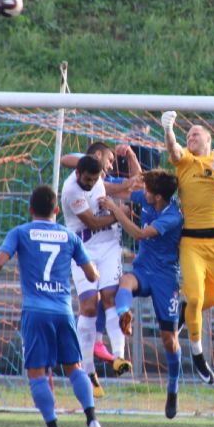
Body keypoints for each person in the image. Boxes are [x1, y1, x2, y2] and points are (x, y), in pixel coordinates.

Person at [0, 185, 103, 427]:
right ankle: (92, 420)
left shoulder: (20, 232)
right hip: (63, 310)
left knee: (37, 373)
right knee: (75, 368)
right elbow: (92, 275)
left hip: (36, 311)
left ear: (30, 210)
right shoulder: (69, 237)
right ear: (57, 210)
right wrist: (93, 269)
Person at [161, 110, 214, 384]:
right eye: (188, 135)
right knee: (196, 299)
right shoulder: (186, 161)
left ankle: (184, 311)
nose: (191, 138)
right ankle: (197, 356)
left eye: (195, 133)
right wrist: (169, 130)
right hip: (192, 243)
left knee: (212, 300)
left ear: (209, 138)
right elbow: (174, 151)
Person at [99, 169, 184, 419]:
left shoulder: (173, 217)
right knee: (124, 281)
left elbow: (138, 234)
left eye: (147, 191)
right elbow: (123, 187)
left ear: (157, 197)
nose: (142, 194)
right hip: (143, 270)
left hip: (165, 280)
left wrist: (115, 210)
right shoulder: (148, 199)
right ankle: (125, 315)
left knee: (169, 340)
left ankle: (172, 388)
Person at [60, 141, 140, 366]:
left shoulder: (103, 179)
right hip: (84, 248)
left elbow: (135, 185)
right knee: (88, 305)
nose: (112, 166)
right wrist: (118, 213)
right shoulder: (74, 187)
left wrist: (131, 160)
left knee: (109, 297)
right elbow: (93, 222)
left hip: (109, 247)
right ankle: (85, 365)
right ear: (97, 156)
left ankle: (119, 357)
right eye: (110, 160)